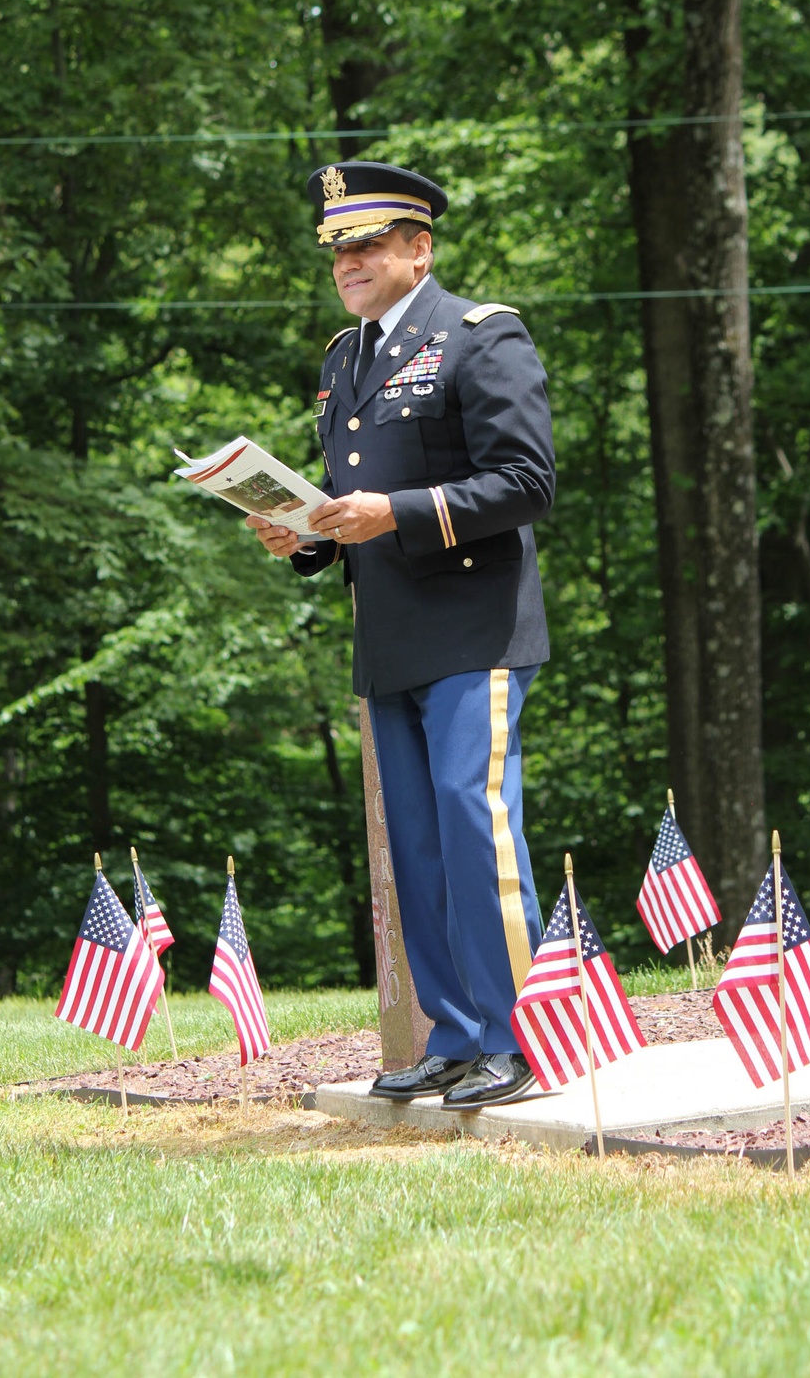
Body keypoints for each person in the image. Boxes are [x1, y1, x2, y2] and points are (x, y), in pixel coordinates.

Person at [245, 160, 555, 1109]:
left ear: (420, 249)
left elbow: (527, 482)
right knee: (416, 845)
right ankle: (457, 1037)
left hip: (474, 628)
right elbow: (354, 514)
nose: (350, 260)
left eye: (370, 243)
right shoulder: (346, 361)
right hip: (389, 638)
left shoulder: (479, 337)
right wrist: (302, 535)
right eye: (339, 247)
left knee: (474, 823)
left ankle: (523, 1039)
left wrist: (397, 512)